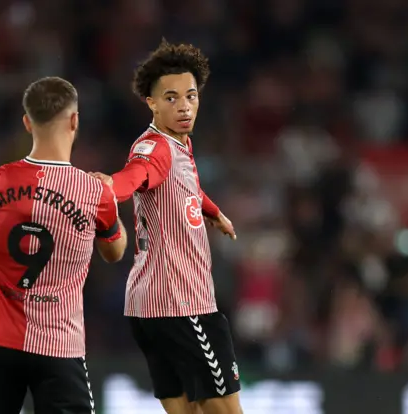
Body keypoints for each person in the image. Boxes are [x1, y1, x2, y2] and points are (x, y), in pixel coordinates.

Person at [89, 40, 243, 414]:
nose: (184, 106)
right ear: (151, 103)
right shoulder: (156, 149)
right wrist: (111, 187)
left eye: (191, 96)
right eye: (171, 98)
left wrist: (213, 212)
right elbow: (136, 176)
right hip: (183, 304)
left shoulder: (177, 144)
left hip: (148, 307)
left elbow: (184, 186)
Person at [0, 76, 128, 414]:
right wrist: (111, 204)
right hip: (60, 346)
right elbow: (114, 252)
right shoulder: (94, 193)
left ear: (27, 123)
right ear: (74, 121)